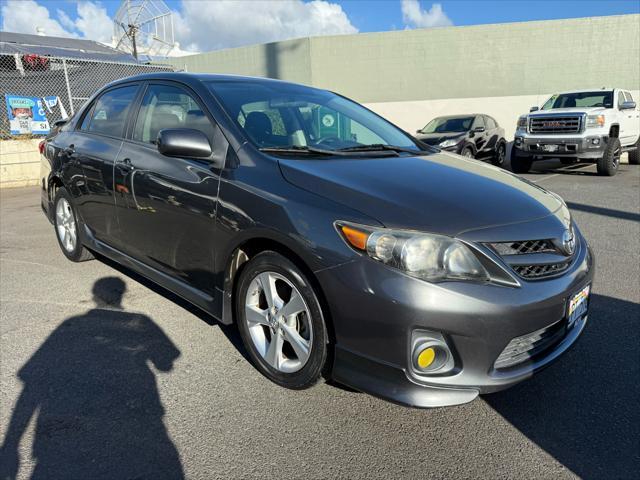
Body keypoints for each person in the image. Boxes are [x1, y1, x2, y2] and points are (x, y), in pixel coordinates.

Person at [0, 277, 183, 479]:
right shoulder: (141, 322)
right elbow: (165, 363)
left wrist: (11, 444)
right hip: (139, 424)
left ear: (96, 297)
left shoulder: (71, 324)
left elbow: (31, 386)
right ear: (120, 295)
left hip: (66, 448)